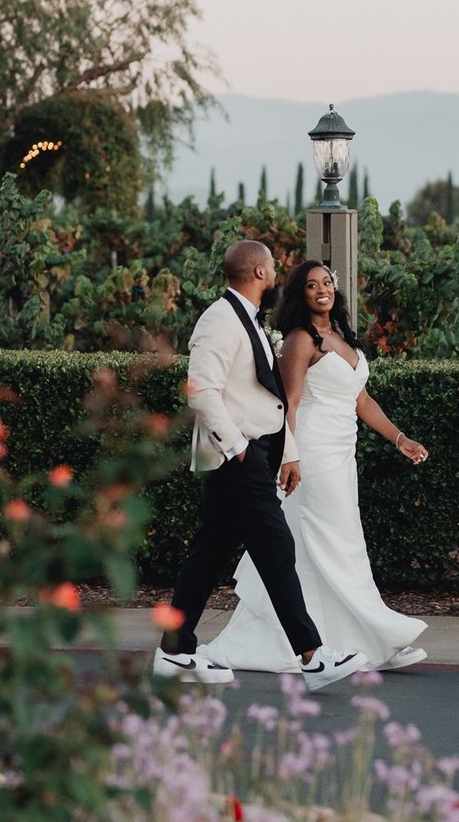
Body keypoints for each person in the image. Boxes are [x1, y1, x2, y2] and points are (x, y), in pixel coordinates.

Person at [153, 240, 369, 692]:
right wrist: (239, 448)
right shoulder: (219, 320)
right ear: (257, 273)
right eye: (272, 269)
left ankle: (174, 650)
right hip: (238, 458)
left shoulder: (247, 319)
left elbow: (271, 400)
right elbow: (201, 390)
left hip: (253, 454)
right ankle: (311, 656)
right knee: (276, 548)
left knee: (208, 554)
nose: (276, 276)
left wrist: (285, 451)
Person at [203, 259, 430, 675]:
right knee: (332, 548)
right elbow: (285, 405)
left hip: (343, 455)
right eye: (311, 285)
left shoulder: (340, 336)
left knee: (339, 547)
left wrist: (400, 439)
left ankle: (362, 642)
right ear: (299, 294)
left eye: (327, 282)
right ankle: (364, 638)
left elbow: (360, 400)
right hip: (312, 454)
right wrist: (288, 455)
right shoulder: (299, 341)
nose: (322, 289)